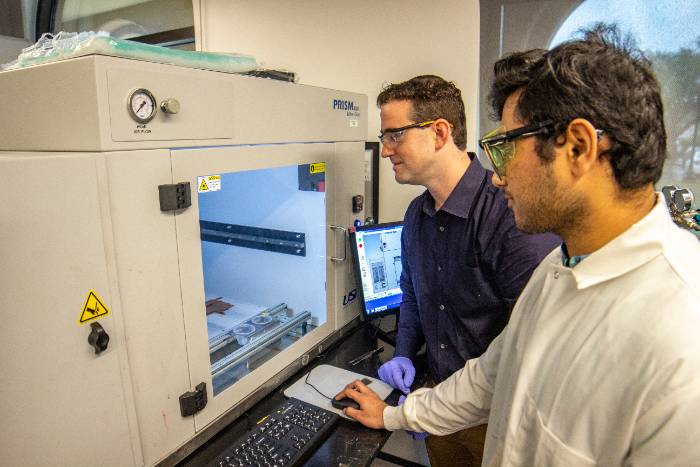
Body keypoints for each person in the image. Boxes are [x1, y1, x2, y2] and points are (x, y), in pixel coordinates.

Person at [337, 24, 700, 466]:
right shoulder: (558, 268)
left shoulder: (682, 337)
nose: (497, 175)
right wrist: (397, 414)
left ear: (578, 147)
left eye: (507, 147)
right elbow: (489, 377)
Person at [375, 74, 559, 466]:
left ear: (439, 133)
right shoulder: (416, 215)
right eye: (384, 138)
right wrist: (404, 353)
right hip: (437, 400)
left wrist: (433, 408)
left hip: (494, 417)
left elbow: (530, 339)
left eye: (394, 136)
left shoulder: (506, 214)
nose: (385, 150)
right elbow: (412, 294)